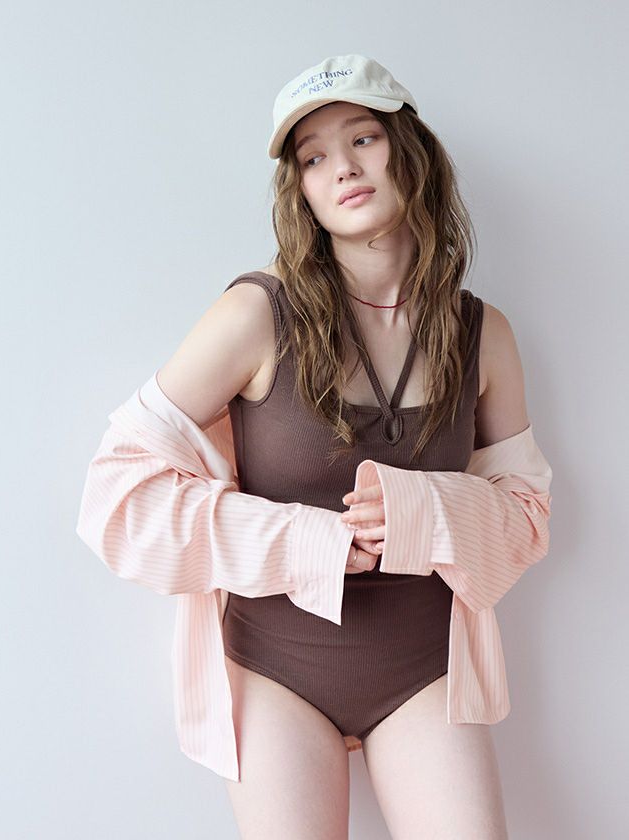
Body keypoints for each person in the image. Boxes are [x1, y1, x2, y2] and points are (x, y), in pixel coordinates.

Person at [131, 54, 532, 838]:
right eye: (313, 158)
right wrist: (302, 539)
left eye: (363, 139)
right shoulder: (256, 314)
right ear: (302, 192)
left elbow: (527, 514)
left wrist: (428, 508)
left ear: (410, 151)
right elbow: (123, 488)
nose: (341, 167)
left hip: (425, 672)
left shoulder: (484, 334)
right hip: (277, 670)